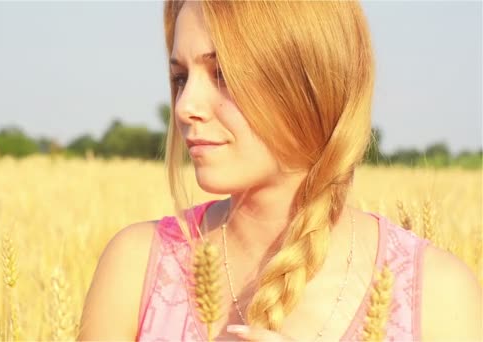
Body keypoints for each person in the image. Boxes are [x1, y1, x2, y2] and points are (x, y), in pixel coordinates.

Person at [77, 1, 482, 341]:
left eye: (222, 74)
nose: (184, 106)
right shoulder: (136, 265)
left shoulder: (439, 297)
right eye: (180, 78)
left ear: (308, 84)